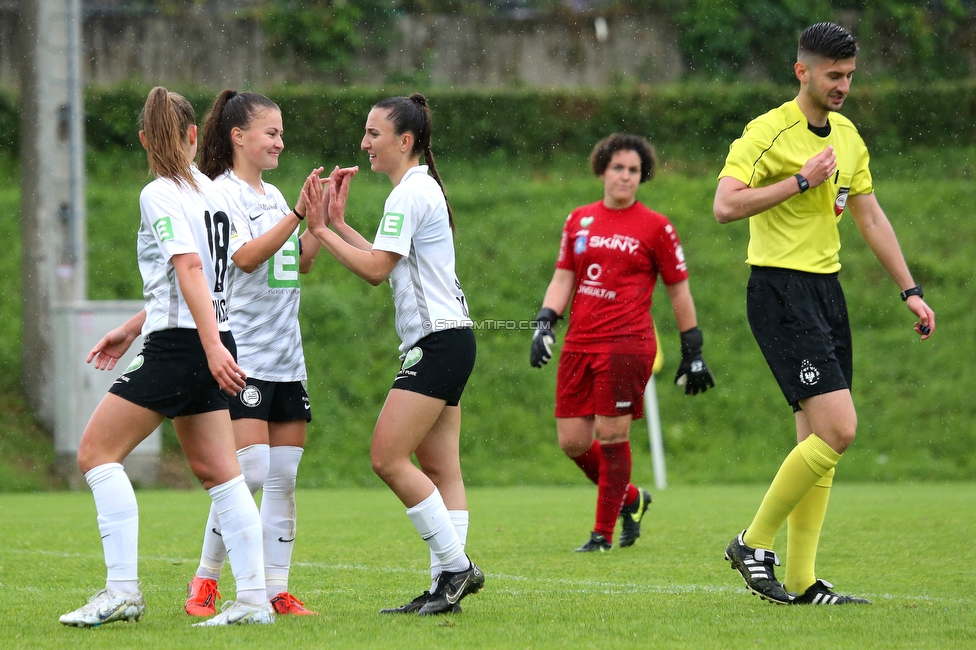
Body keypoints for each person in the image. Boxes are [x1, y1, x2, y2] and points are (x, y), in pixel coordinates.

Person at [713, 22, 935, 606]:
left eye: (849, 76)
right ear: (801, 71)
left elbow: (870, 217)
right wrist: (798, 180)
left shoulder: (849, 137)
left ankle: (802, 580)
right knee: (840, 429)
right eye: (833, 75)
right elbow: (724, 205)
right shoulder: (767, 131)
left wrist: (909, 288)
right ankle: (752, 542)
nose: (842, 86)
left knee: (819, 439)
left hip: (826, 293)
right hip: (780, 291)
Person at [59, 87, 275, 627]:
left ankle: (122, 591)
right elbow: (194, 278)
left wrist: (203, 345)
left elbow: (189, 270)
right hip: (207, 336)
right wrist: (134, 329)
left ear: (142, 141)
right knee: (221, 473)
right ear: (194, 136)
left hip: (185, 344)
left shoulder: (159, 193)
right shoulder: (213, 190)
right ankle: (252, 601)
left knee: (95, 454)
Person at [303, 93, 484, 616]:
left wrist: (317, 230)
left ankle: (455, 567)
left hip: (438, 344)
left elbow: (377, 269)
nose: (364, 143)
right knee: (441, 467)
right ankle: (444, 586)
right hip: (453, 339)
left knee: (387, 457)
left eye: (374, 134)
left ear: (405, 141)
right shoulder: (418, 187)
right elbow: (390, 259)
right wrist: (336, 225)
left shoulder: (408, 193)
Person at [529, 133, 715, 552]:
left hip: (627, 343)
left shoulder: (657, 227)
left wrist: (693, 348)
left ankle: (602, 534)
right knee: (573, 441)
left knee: (612, 436)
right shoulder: (579, 219)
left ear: (641, 176)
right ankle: (631, 498)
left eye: (634, 170)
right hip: (579, 341)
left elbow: (679, 290)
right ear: (602, 170)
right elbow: (565, 276)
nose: (626, 177)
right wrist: (545, 322)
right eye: (618, 168)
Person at [182, 90, 323, 618]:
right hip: (242, 353)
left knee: (283, 477)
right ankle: (207, 578)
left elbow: (297, 265)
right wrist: (293, 215)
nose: (280, 142)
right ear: (239, 136)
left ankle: (274, 590)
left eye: (282, 133)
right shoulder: (221, 194)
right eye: (271, 133)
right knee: (251, 473)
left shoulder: (274, 195)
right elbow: (243, 259)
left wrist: (318, 223)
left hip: (289, 356)